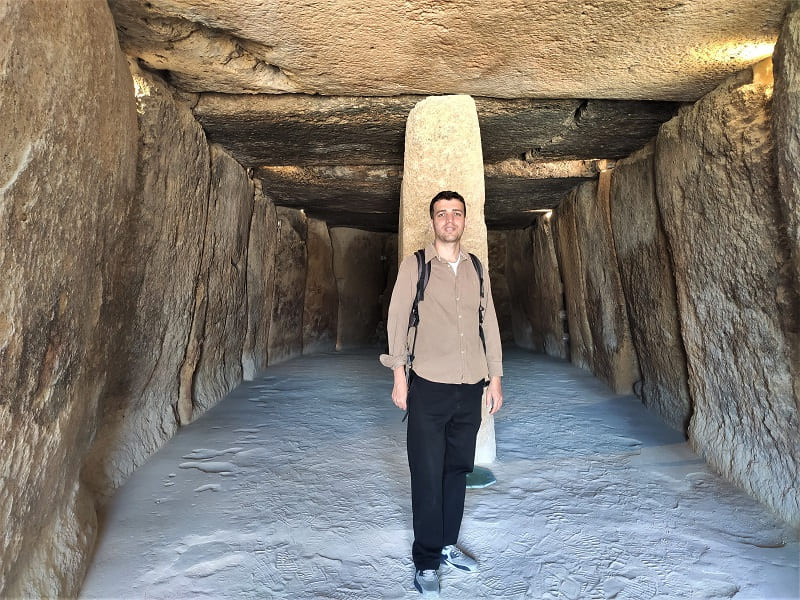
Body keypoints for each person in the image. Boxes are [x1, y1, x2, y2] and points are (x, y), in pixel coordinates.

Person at [380, 190, 504, 596]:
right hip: (429, 386)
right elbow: (398, 320)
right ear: (432, 221)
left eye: (456, 213)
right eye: (441, 214)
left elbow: (490, 325)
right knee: (428, 476)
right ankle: (426, 561)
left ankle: (448, 544)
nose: (449, 220)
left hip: (470, 387)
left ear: (464, 220)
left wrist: (496, 377)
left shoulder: (476, 269)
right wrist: (399, 376)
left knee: (456, 471)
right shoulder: (415, 265)